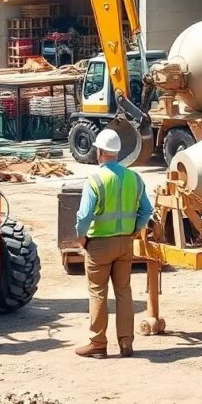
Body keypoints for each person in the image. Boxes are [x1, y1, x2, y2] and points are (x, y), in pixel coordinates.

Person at [74, 129, 154, 359]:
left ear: (99, 152)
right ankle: (126, 344)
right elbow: (146, 210)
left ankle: (98, 344)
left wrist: (81, 237)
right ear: (117, 153)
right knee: (123, 292)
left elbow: (84, 215)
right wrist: (134, 230)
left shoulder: (95, 179)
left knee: (98, 292)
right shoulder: (134, 178)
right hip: (124, 243)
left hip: (99, 243)